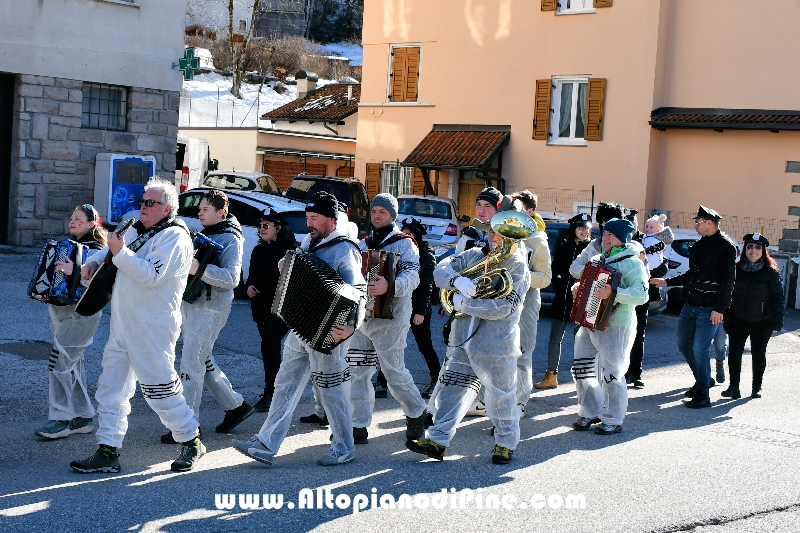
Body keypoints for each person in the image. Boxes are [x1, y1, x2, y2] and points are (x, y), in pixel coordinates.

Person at [71, 178, 204, 473]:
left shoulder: (176, 238)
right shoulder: (135, 227)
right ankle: (108, 450)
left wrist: (120, 253)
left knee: (160, 391)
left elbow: (148, 275)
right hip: (123, 324)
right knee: (111, 390)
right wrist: (94, 261)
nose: (142, 207)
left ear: (167, 208)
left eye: (149, 203)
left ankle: (191, 440)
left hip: (152, 328)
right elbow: (110, 249)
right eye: (142, 201)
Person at [232, 191, 366, 466]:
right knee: (285, 383)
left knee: (331, 390)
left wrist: (353, 324)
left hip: (328, 332)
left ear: (331, 219)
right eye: (307, 218)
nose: (309, 223)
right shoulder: (309, 241)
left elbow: (358, 291)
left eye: (315, 218)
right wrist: (285, 263)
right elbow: (295, 265)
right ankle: (266, 444)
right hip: (302, 326)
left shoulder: (345, 249)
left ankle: (344, 447)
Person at [407, 208, 532, 464]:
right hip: (463, 339)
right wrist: (456, 281)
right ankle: (437, 440)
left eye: (499, 235)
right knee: (452, 390)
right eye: (492, 233)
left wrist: (466, 305)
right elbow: (441, 269)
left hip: (497, 344)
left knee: (502, 396)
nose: (493, 238)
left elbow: (505, 307)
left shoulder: (518, 266)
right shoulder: (474, 255)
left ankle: (505, 444)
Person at [162, 189, 253, 445]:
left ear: (221, 213)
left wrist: (198, 268)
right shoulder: (210, 232)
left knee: (191, 364)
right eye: (199, 209)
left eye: (205, 209)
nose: (199, 213)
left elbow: (232, 279)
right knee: (203, 360)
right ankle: (236, 407)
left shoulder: (231, 238)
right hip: (195, 304)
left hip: (211, 308)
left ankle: (188, 426)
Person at [347, 193, 427, 444]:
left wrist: (389, 286)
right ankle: (358, 424)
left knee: (393, 372)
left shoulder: (405, 244)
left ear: (393, 215)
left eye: (382, 211)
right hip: (364, 317)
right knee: (358, 371)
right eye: (374, 211)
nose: (377, 215)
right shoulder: (362, 244)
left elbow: (413, 277)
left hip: (392, 319)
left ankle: (417, 413)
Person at [651, 205, 737, 409]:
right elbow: (692, 274)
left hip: (709, 308)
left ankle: (703, 394)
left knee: (700, 349)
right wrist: (667, 281)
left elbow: (728, 281)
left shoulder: (726, 247)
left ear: (710, 223)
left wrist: (720, 308)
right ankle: (702, 380)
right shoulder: (699, 245)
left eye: (698, 222)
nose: (696, 226)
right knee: (683, 345)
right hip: (690, 304)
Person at [570, 218, 649, 434]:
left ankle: (613, 418)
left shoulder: (633, 263)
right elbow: (586, 283)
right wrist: (578, 289)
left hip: (617, 324)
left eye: (610, 235)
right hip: (589, 321)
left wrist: (614, 293)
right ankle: (590, 411)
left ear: (621, 239)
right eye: (604, 233)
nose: (604, 238)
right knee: (582, 368)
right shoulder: (597, 259)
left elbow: (642, 295)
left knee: (613, 372)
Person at [35, 205, 107, 440]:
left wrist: (73, 269)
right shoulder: (68, 246)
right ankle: (83, 417)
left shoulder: (98, 251)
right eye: (71, 218)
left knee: (58, 363)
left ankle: (61, 419)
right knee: (71, 366)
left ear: (91, 224)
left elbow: (101, 282)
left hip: (82, 316)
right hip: (63, 313)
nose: (72, 222)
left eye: (78, 219)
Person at [376, 217, 441, 399]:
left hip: (418, 310)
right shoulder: (401, 250)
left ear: (417, 236)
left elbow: (427, 285)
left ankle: (437, 381)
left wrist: (420, 311)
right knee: (392, 345)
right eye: (403, 232)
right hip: (400, 305)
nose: (406, 236)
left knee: (425, 346)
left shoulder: (426, 255)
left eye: (409, 233)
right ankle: (381, 383)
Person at [246, 208, 297, 413]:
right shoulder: (258, 250)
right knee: (270, 350)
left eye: (266, 225)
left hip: (282, 309)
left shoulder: (289, 250)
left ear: (278, 228)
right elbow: (251, 277)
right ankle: (276, 391)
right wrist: (249, 287)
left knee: (269, 345)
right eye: (260, 226)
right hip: (261, 309)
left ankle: (271, 392)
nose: (262, 229)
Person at [721, 233, 783, 399]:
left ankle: (757, 387)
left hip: (763, 321)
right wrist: (726, 315)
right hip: (738, 319)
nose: (753, 250)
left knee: (758, 353)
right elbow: (727, 293)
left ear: (763, 251)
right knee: (735, 353)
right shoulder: (736, 269)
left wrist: (777, 321)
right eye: (750, 246)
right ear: (745, 249)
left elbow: (778, 298)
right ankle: (734, 387)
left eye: (757, 247)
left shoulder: (771, 272)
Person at [535, 213, 592, 389]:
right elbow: (554, 271)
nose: (584, 231)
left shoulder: (591, 249)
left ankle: (586, 379)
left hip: (583, 303)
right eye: (581, 227)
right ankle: (551, 376)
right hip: (562, 300)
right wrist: (561, 288)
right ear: (573, 228)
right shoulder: (563, 247)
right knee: (555, 338)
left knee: (584, 341)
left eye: (587, 228)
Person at [510, 190, 551, 411]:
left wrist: (519, 275)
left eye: (518, 209)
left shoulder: (538, 239)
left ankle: (520, 402)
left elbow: (545, 278)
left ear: (530, 211)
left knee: (523, 353)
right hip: (504, 300)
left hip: (527, 301)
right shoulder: (505, 230)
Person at [625, 212, 673, 388]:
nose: (631, 226)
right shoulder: (620, 241)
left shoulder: (647, 239)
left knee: (638, 334)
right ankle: (621, 372)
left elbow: (662, 263)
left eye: (633, 222)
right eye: (628, 222)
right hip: (623, 293)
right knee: (622, 334)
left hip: (642, 294)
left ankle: (636, 373)